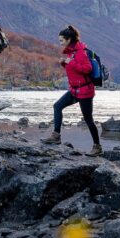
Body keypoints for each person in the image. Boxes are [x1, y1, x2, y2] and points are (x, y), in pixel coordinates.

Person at [42, 25, 102, 156]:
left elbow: (87, 69)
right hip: (75, 90)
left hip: (85, 91)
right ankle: (56, 136)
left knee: (88, 119)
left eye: (61, 40)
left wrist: (71, 62)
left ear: (69, 39)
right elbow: (75, 71)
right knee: (57, 106)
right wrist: (65, 63)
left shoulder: (80, 52)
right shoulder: (71, 52)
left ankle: (97, 147)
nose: (60, 43)